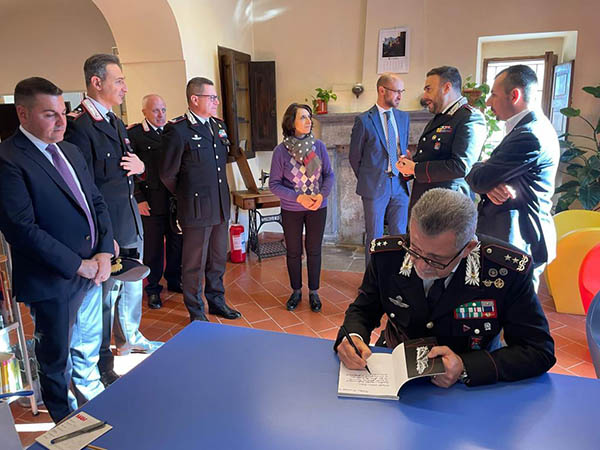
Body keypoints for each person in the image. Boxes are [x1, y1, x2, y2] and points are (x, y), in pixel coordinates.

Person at [335, 188, 555, 388]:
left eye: (436, 259)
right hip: (396, 367)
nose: (421, 266)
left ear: (468, 248)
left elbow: (538, 350)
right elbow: (363, 309)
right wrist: (352, 336)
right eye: (415, 249)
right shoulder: (388, 256)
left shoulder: (505, 272)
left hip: (466, 384)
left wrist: (466, 366)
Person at [0, 77, 114, 422]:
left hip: (94, 270)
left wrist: (104, 251)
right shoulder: (8, 159)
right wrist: (79, 264)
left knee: (88, 349)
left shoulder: (70, 150)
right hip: (54, 280)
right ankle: (67, 431)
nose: (62, 121)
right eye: (50, 114)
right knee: (56, 361)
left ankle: (95, 410)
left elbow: (96, 201)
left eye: (63, 112)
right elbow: (21, 229)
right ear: (23, 114)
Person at [65, 54, 159, 389]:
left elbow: (125, 172)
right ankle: (103, 366)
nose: (124, 88)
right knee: (103, 301)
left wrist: (141, 169)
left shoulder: (115, 121)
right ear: (96, 82)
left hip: (127, 220)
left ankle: (128, 339)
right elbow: (84, 189)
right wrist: (104, 238)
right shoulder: (79, 127)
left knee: (130, 289)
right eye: (118, 81)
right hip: (107, 232)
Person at [466, 65, 559, 291]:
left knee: (515, 308)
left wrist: (485, 176)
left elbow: (479, 178)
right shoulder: (529, 127)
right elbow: (485, 176)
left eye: (494, 94)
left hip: (517, 237)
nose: (489, 102)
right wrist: (488, 180)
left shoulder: (529, 135)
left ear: (514, 95)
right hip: (512, 235)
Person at [159, 77, 241, 322]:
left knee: (217, 259)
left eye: (216, 97)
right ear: (194, 99)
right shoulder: (178, 130)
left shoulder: (217, 126)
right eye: (211, 97)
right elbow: (167, 174)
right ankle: (196, 310)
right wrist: (187, 195)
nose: (216, 102)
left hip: (219, 205)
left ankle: (216, 301)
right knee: (194, 263)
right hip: (195, 208)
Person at [269, 103, 334, 312]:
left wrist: (321, 195)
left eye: (309, 117)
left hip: (317, 207)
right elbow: (274, 184)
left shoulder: (319, 147)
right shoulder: (281, 152)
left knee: (314, 250)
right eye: (303, 117)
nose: (308, 121)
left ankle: (314, 292)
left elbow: (329, 175)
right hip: (292, 209)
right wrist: (298, 198)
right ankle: (296, 291)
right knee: (294, 252)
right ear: (291, 122)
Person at [396, 66, 486, 210]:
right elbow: (431, 158)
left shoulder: (469, 117)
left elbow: (460, 166)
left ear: (446, 88)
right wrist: (410, 165)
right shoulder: (439, 118)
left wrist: (416, 169)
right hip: (427, 203)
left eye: (428, 89)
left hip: (448, 207)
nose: (424, 96)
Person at [128, 94, 183, 309]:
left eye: (163, 110)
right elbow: (129, 171)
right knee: (153, 249)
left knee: (176, 243)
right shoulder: (135, 134)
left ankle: (174, 279)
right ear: (144, 112)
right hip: (150, 202)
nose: (161, 115)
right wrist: (139, 199)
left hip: (173, 201)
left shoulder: (172, 132)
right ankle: (152, 288)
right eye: (155, 110)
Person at [349, 73, 410, 266]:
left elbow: (402, 149)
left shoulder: (403, 117)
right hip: (375, 186)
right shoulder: (364, 120)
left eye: (402, 91)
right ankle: (372, 279)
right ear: (382, 90)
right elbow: (354, 157)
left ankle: (397, 277)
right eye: (396, 91)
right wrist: (369, 179)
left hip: (400, 185)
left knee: (400, 236)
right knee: (375, 237)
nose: (400, 96)